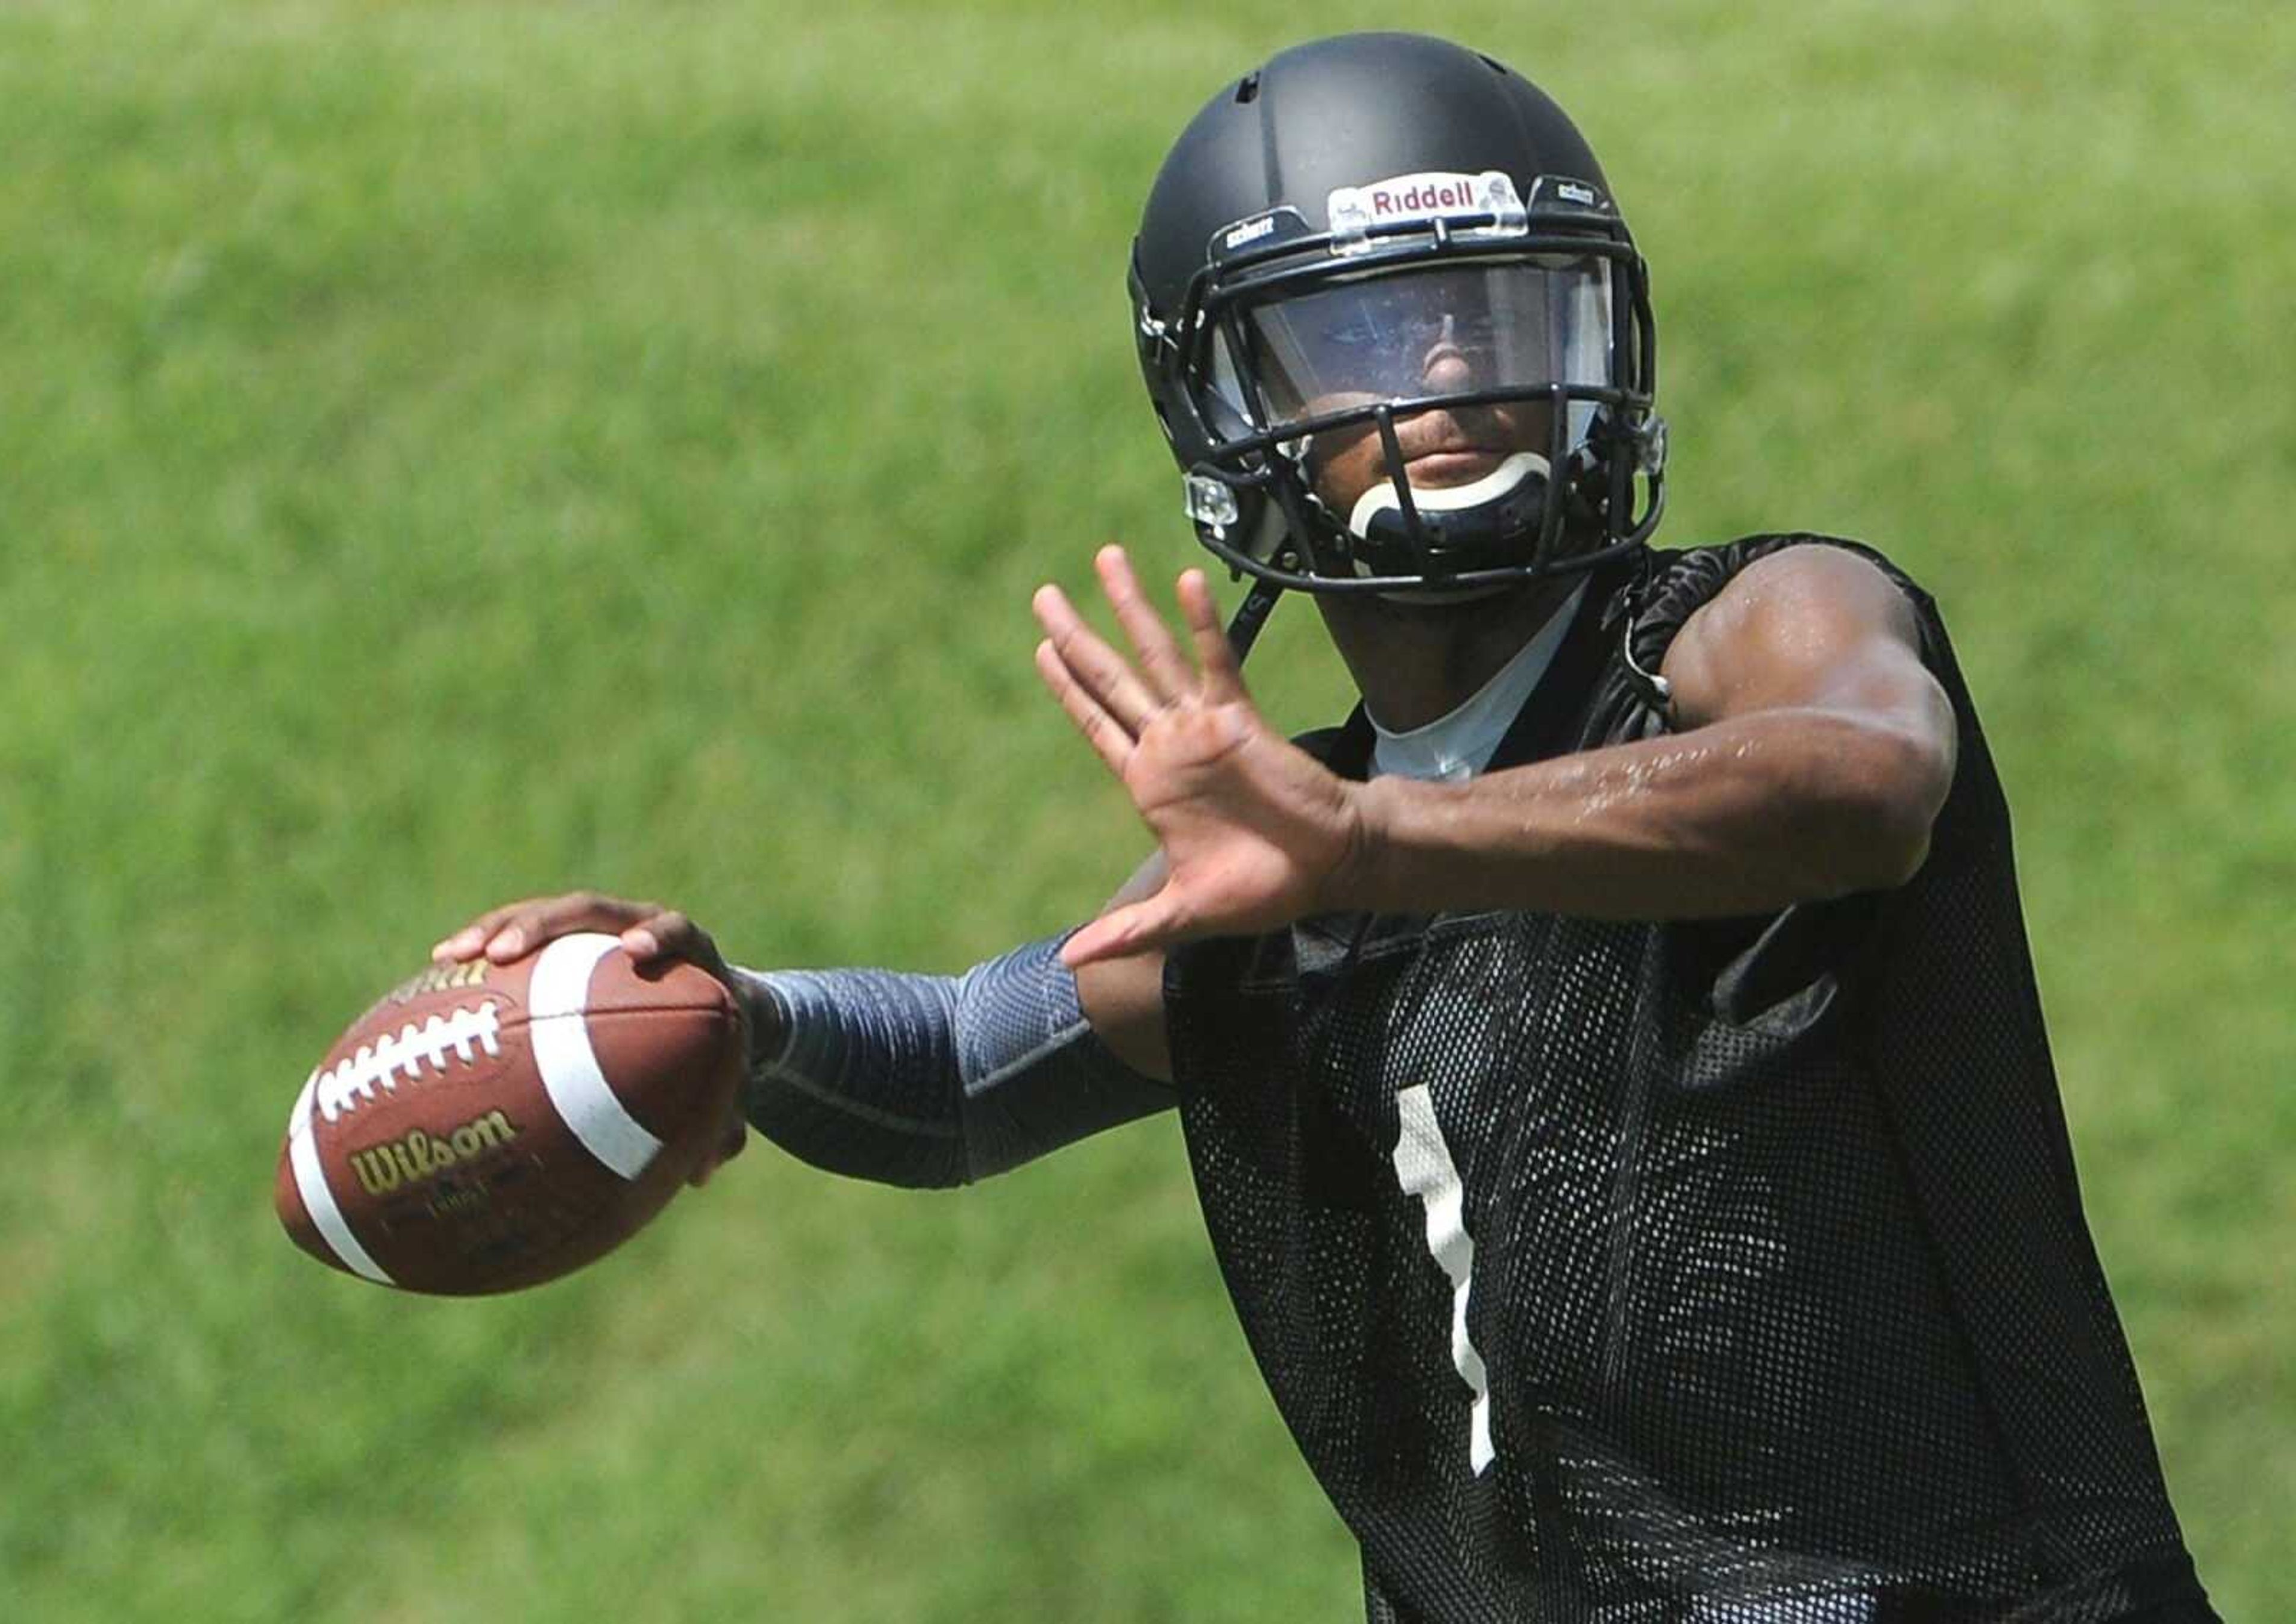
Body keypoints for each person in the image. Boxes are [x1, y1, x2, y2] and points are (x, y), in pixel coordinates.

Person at [434, 32, 2216, 1623]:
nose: (1447, 362)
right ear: (1232, 409)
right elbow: (969, 1073)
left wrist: (1368, 848)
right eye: (1369, 324)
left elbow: (1863, 781)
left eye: (1499, 307)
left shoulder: (1750, 628)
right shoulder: (1290, 861)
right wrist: (727, 1019)